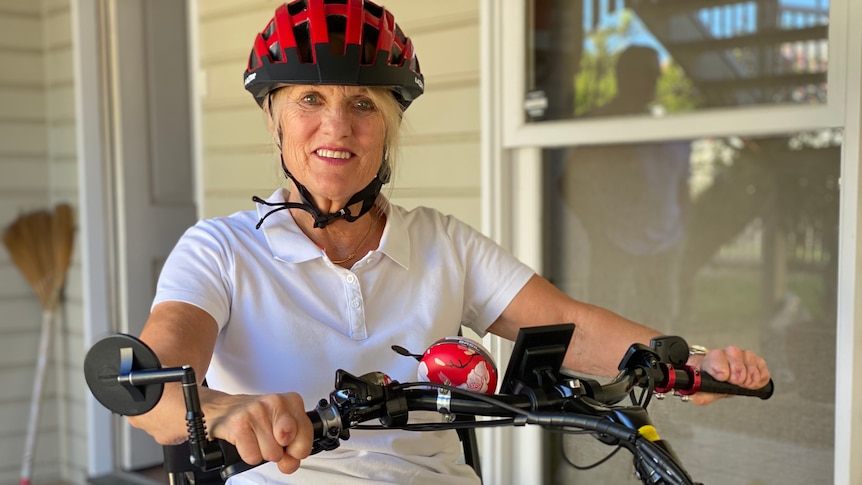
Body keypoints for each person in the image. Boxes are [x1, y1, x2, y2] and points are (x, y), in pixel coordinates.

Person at [127, 3, 771, 484]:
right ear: (273, 116)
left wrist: (688, 365)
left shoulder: (439, 242)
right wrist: (222, 409)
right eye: (309, 100)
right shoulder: (219, 250)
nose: (336, 126)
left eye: (363, 104)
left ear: (390, 124)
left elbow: (567, 325)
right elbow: (150, 385)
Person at [559, 45, 691, 327]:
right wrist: (597, 228)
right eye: (643, 74)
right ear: (623, 76)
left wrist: (684, 231)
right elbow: (566, 182)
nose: (651, 82)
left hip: (666, 240)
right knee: (605, 321)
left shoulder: (666, 128)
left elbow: (680, 184)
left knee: (662, 323)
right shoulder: (599, 124)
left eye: (654, 75)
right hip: (615, 241)